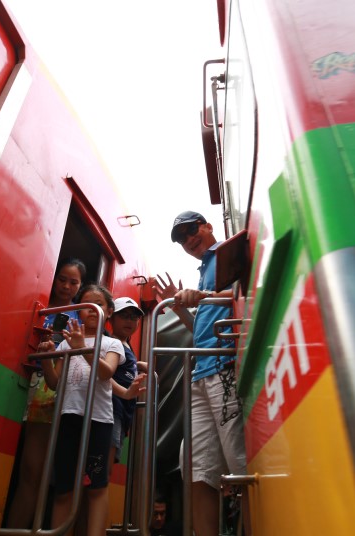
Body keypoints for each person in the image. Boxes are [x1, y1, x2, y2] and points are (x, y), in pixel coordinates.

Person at [156, 210, 249, 536]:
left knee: (239, 459)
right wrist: (182, 306)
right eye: (181, 238)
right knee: (196, 468)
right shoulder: (203, 272)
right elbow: (198, 332)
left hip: (223, 367)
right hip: (201, 371)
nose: (188, 239)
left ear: (208, 226)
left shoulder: (227, 254)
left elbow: (243, 297)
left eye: (191, 230)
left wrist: (202, 296)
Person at [7, 258, 86, 528]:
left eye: (73, 282)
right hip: (31, 382)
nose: (66, 286)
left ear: (80, 286)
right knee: (30, 471)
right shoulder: (37, 301)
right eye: (62, 279)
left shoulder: (80, 317)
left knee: (38, 471)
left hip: (50, 387)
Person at [38, 284, 123, 536]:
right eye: (86, 305)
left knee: (96, 487)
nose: (92, 310)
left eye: (98, 304)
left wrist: (83, 348)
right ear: (79, 312)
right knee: (64, 487)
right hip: (69, 416)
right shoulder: (66, 344)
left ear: (108, 311)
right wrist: (46, 359)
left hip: (98, 420)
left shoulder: (111, 343)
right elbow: (55, 383)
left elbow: (106, 372)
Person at [108, 297, 148, 466]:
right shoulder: (111, 342)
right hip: (111, 408)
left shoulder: (126, 345)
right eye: (124, 315)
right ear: (111, 317)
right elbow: (101, 373)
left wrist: (137, 364)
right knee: (102, 468)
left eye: (134, 317)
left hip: (123, 412)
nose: (129, 321)